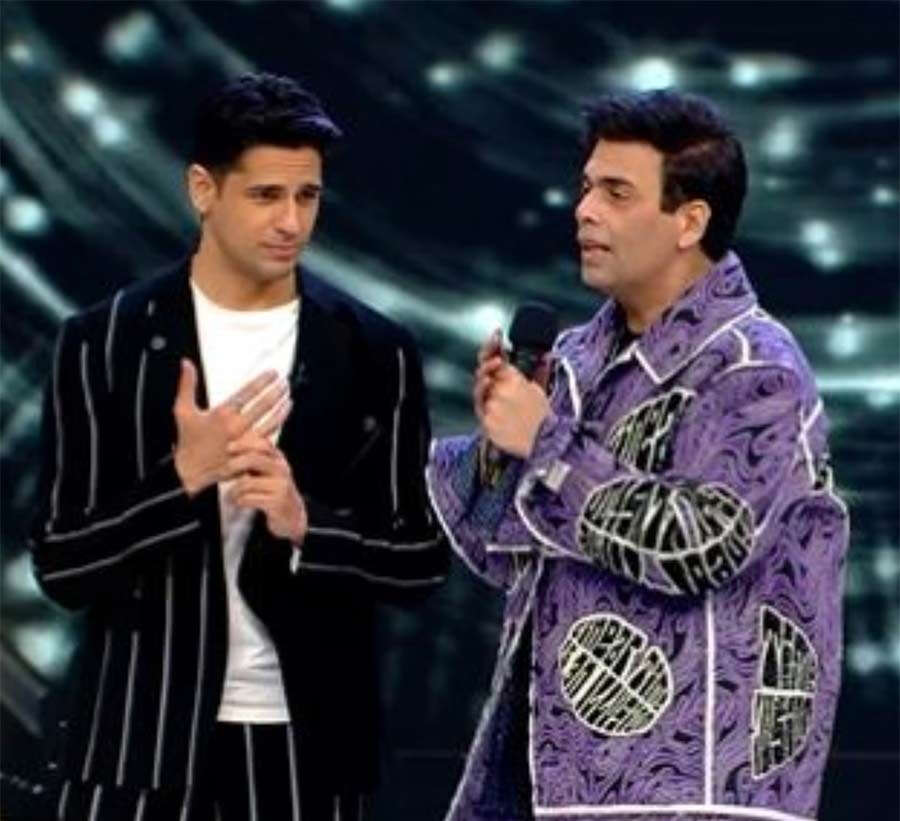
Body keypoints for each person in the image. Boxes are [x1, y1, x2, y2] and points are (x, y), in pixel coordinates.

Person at [30, 72, 447, 821]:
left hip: (306, 747)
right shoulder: (102, 342)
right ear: (203, 189)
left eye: (307, 197)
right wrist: (181, 477)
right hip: (136, 743)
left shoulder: (375, 351)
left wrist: (307, 525)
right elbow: (63, 566)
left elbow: (419, 562)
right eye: (265, 196)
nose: (291, 221)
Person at [427, 89, 848, 821]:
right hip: (539, 778)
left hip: (693, 790)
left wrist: (547, 446)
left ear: (691, 220)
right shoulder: (573, 359)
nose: (584, 211)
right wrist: (499, 446)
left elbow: (701, 545)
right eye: (586, 187)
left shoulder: (756, 367)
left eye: (616, 193)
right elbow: (503, 553)